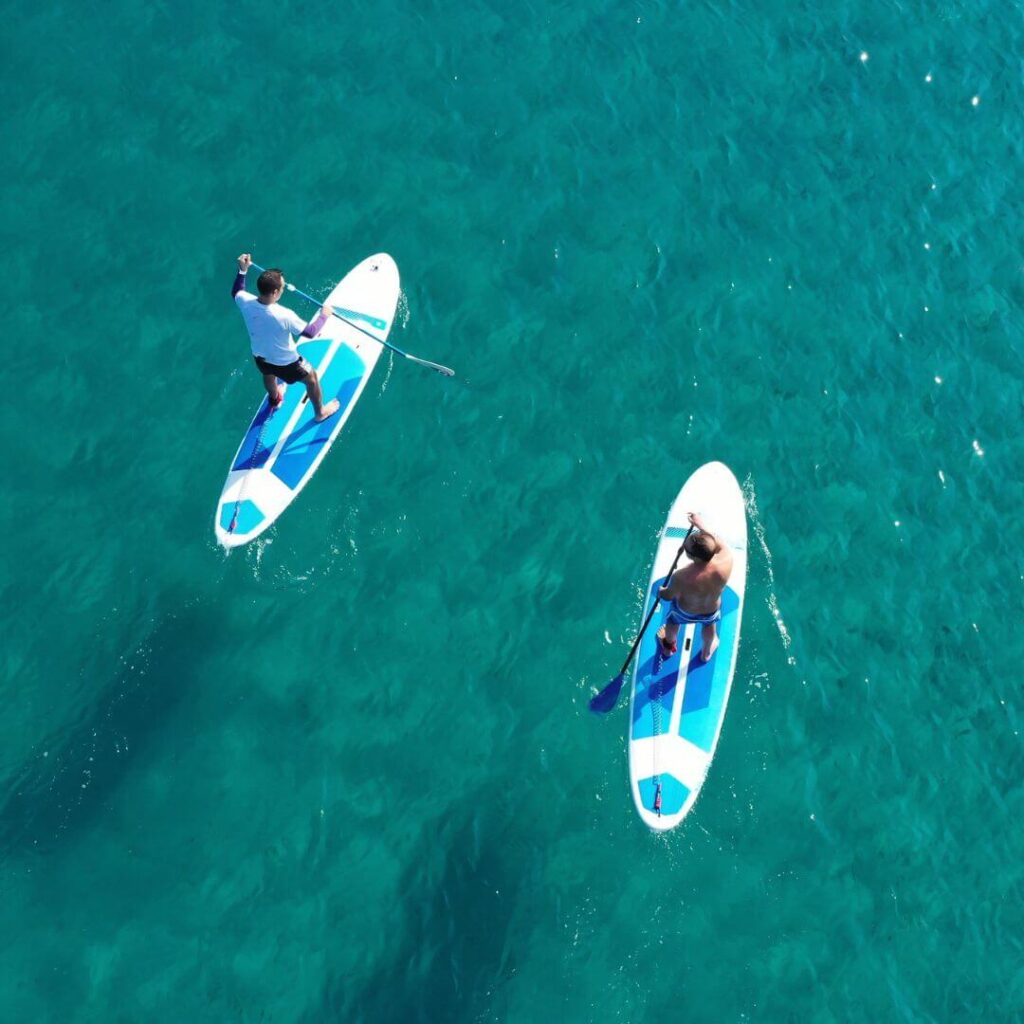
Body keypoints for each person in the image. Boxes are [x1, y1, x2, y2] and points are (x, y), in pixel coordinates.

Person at [232, 253, 340, 422]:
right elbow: (310, 332)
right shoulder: (284, 315)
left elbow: (237, 291)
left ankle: (275, 399)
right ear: (275, 292)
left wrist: (242, 270)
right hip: (287, 363)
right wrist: (324, 315)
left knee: (268, 374)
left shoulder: (245, 301)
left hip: (260, 357)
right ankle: (321, 413)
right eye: (282, 288)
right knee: (312, 379)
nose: (283, 289)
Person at [655, 512, 733, 663]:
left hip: (684, 611)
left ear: (693, 557)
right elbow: (717, 541)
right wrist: (700, 525)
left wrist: (660, 592)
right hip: (711, 610)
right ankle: (706, 652)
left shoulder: (681, 576)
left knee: (672, 624)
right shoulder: (726, 559)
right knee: (710, 628)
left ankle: (668, 647)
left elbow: (668, 596)